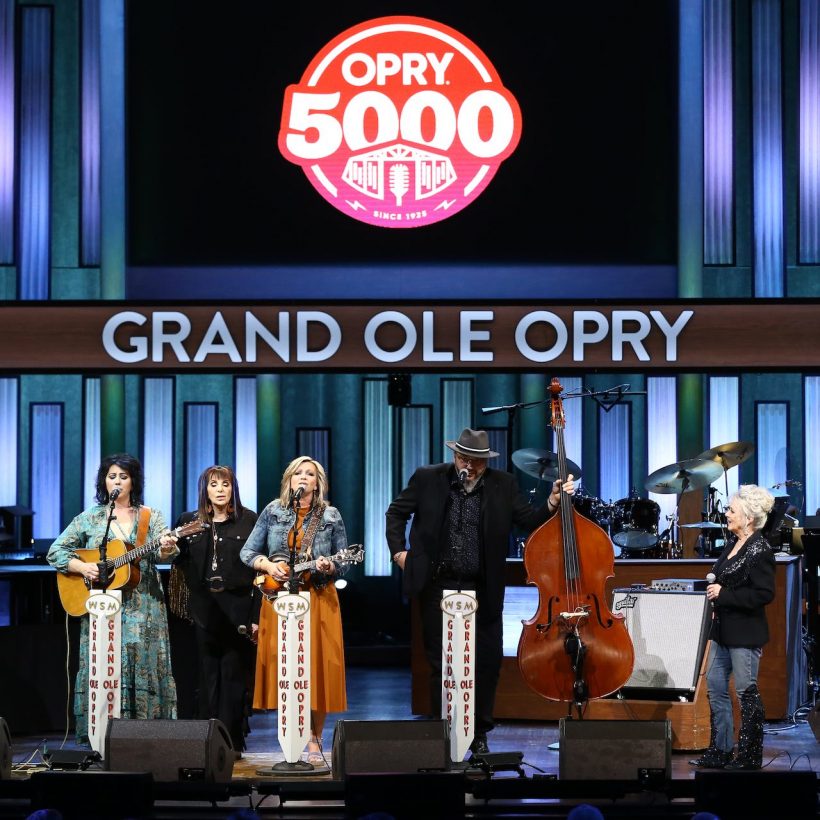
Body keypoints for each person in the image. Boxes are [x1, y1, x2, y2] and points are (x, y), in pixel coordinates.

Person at [385, 428, 575, 756]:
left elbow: (529, 520)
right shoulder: (428, 478)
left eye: (475, 461)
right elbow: (396, 513)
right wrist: (399, 552)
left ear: (486, 462)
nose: (468, 466)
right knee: (439, 662)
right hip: (436, 585)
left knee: (485, 662)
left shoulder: (503, 484)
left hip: (482, 587)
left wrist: (552, 501)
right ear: (454, 456)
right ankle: (439, 729)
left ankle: (479, 731)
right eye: (463, 458)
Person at [46, 453, 178, 741]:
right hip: (102, 606)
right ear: (103, 481)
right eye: (111, 476)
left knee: (138, 660)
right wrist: (84, 567)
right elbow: (55, 551)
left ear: (134, 481)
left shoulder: (149, 516)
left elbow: (162, 554)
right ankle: (101, 734)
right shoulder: (91, 517)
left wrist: (167, 547)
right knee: (106, 660)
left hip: (143, 605)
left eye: (123, 476)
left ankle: (144, 735)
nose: (117, 481)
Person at [240, 456, 349, 765]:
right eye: (298, 473)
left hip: (318, 596)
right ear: (289, 480)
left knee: (318, 667)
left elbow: (344, 557)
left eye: (310, 474)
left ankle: (315, 738)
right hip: (279, 600)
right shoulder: (273, 512)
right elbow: (248, 552)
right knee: (285, 667)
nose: (303, 478)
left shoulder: (330, 515)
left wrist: (331, 564)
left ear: (318, 482)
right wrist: (269, 564)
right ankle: (290, 734)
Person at [171, 465, 259, 754]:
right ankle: (206, 740)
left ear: (233, 488)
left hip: (238, 610)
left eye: (226, 484)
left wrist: (256, 616)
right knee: (205, 676)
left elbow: (259, 571)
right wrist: (167, 548)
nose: (220, 489)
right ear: (204, 489)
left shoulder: (249, 520)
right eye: (214, 484)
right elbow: (178, 562)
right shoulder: (189, 521)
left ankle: (231, 742)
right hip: (202, 611)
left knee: (233, 676)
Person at [690, 483, 776, 770]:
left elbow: (764, 594)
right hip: (722, 631)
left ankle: (750, 755)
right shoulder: (733, 543)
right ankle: (721, 750)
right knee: (714, 687)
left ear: (749, 517)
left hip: (744, 633)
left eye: (731, 510)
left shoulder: (760, 549)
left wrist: (723, 593)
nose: (726, 513)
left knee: (745, 692)